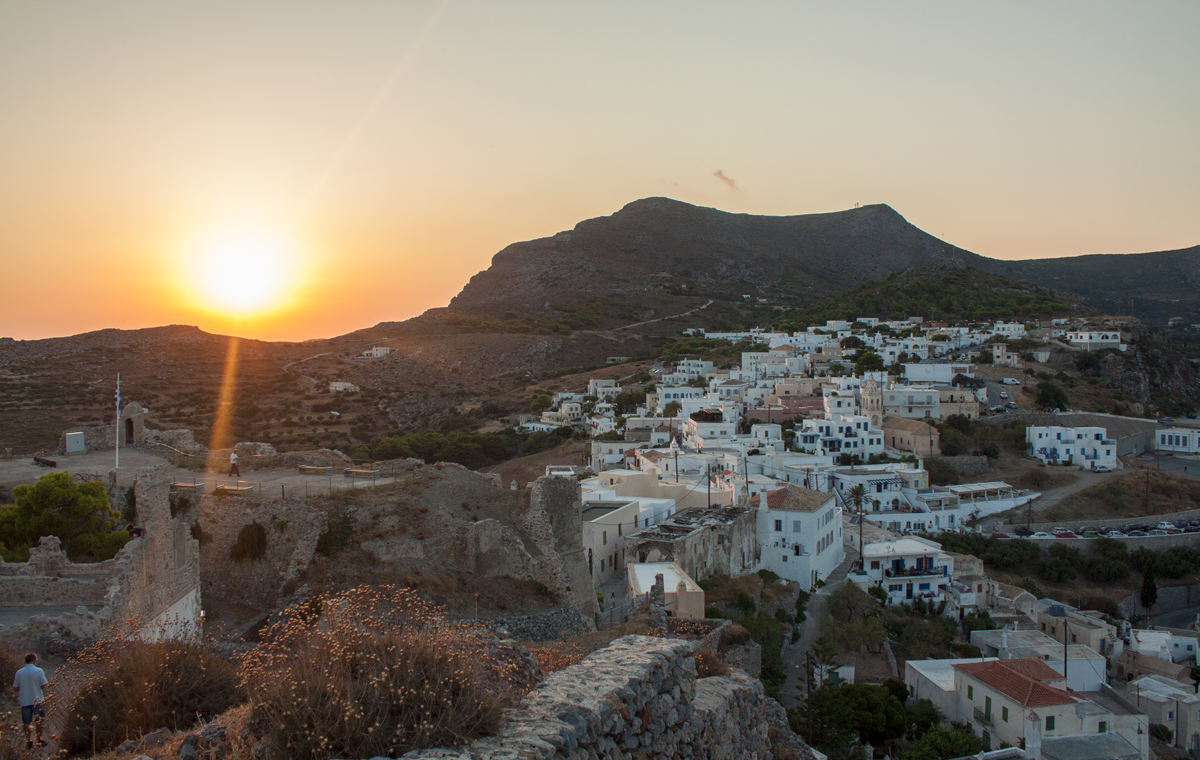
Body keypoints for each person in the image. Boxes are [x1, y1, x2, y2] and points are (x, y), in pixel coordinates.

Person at [13, 653, 48, 749]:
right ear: (34, 661)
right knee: (39, 721)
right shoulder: (39, 671)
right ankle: (39, 739)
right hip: (37, 699)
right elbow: (44, 685)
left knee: (26, 722)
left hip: (25, 700)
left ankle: (28, 740)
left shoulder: (19, 672)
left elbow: (15, 688)